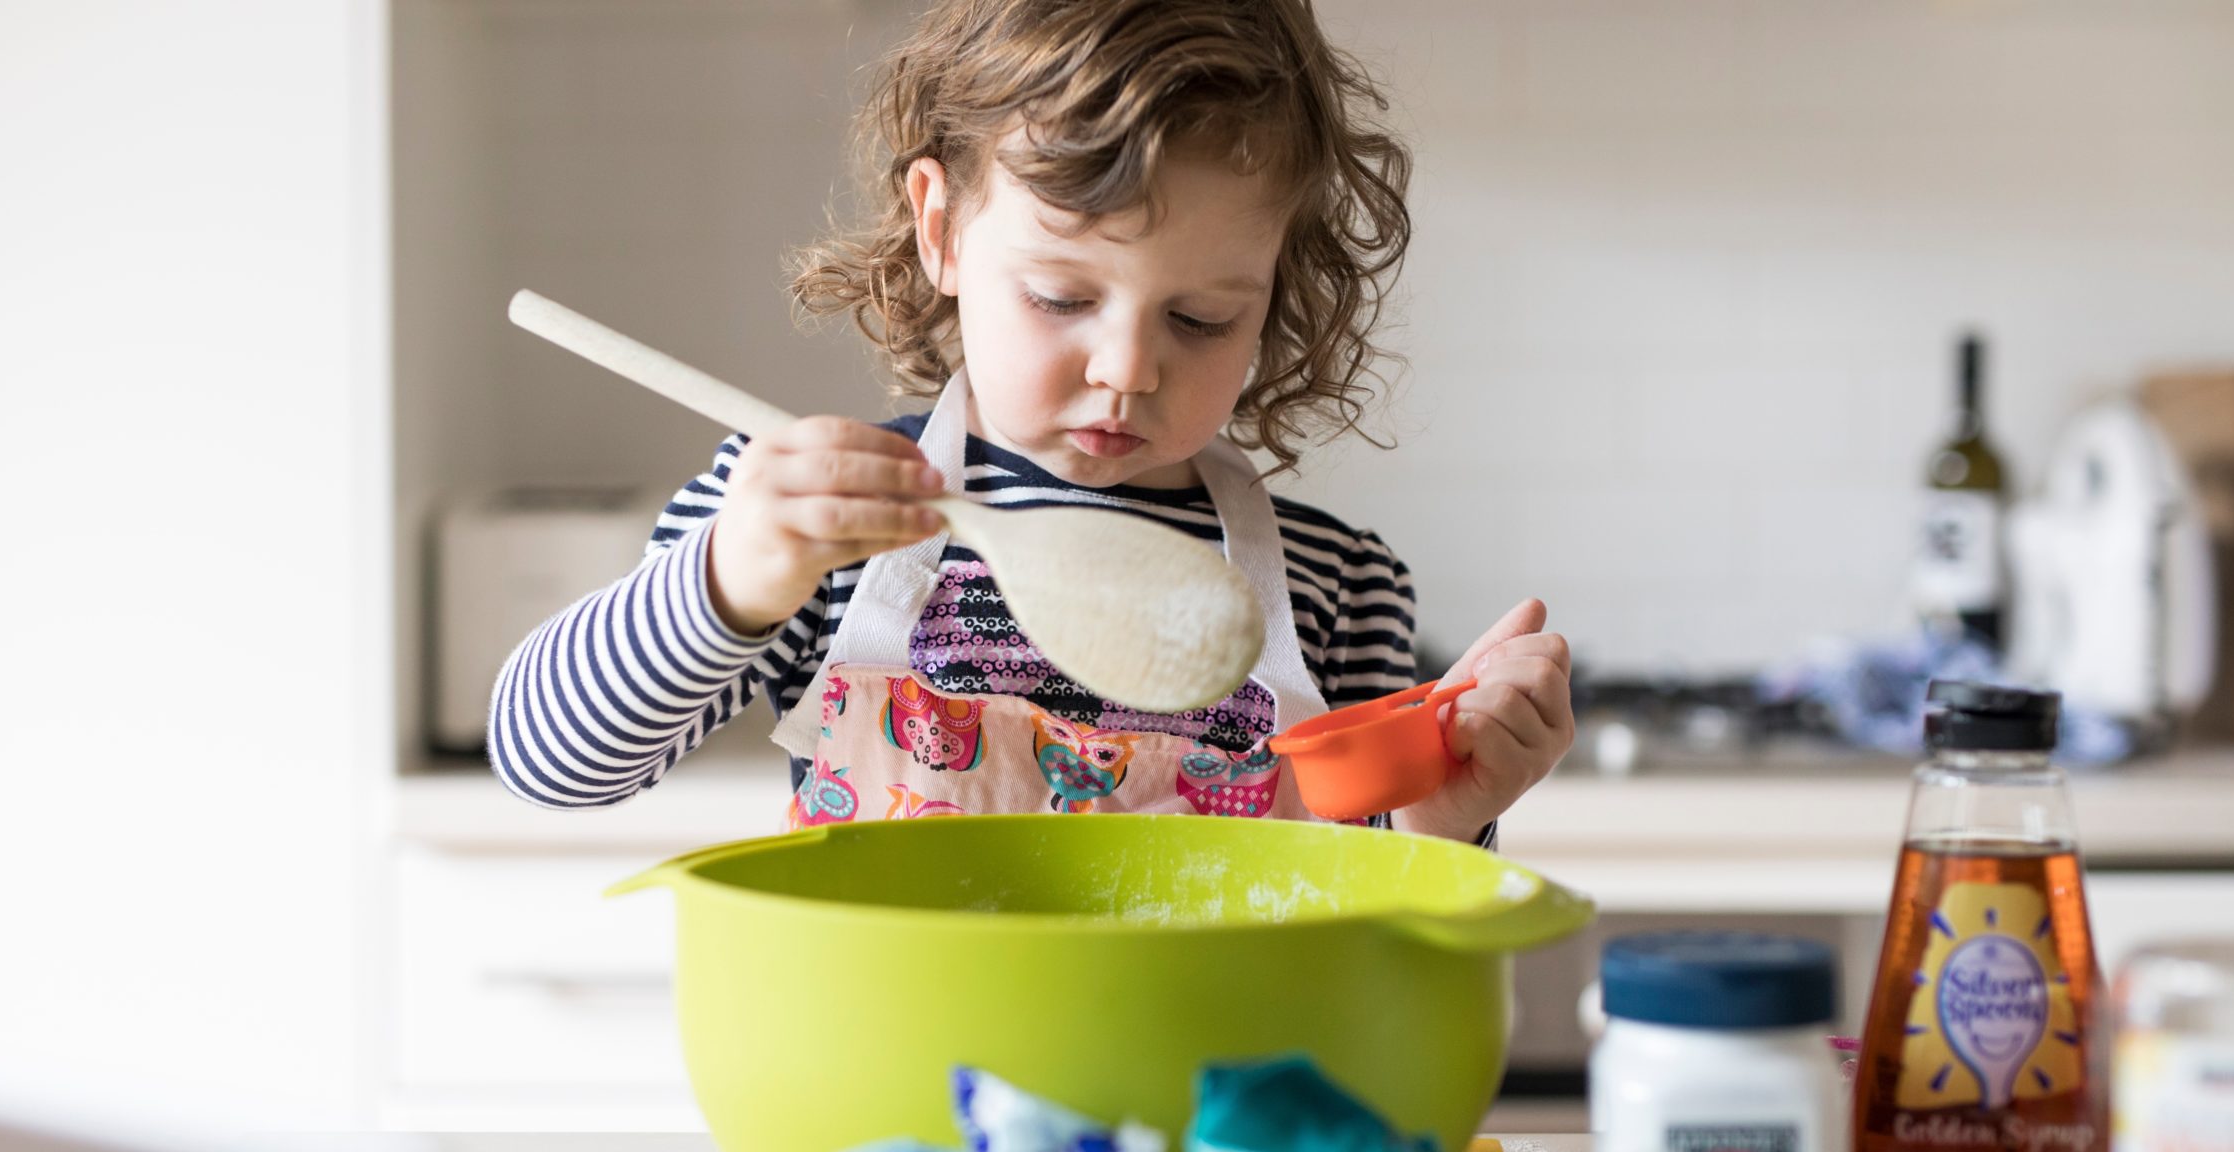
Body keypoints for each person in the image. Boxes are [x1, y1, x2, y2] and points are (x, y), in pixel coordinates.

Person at [490, 0, 1573, 838]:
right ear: (942, 228)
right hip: (894, 1105)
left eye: (1200, 318)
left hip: (1206, 1114)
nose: (1125, 369)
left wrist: (1447, 816)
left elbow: (1378, 917)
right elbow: (549, 763)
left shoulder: (1337, 584)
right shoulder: (817, 527)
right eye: (1061, 299)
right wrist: (727, 580)